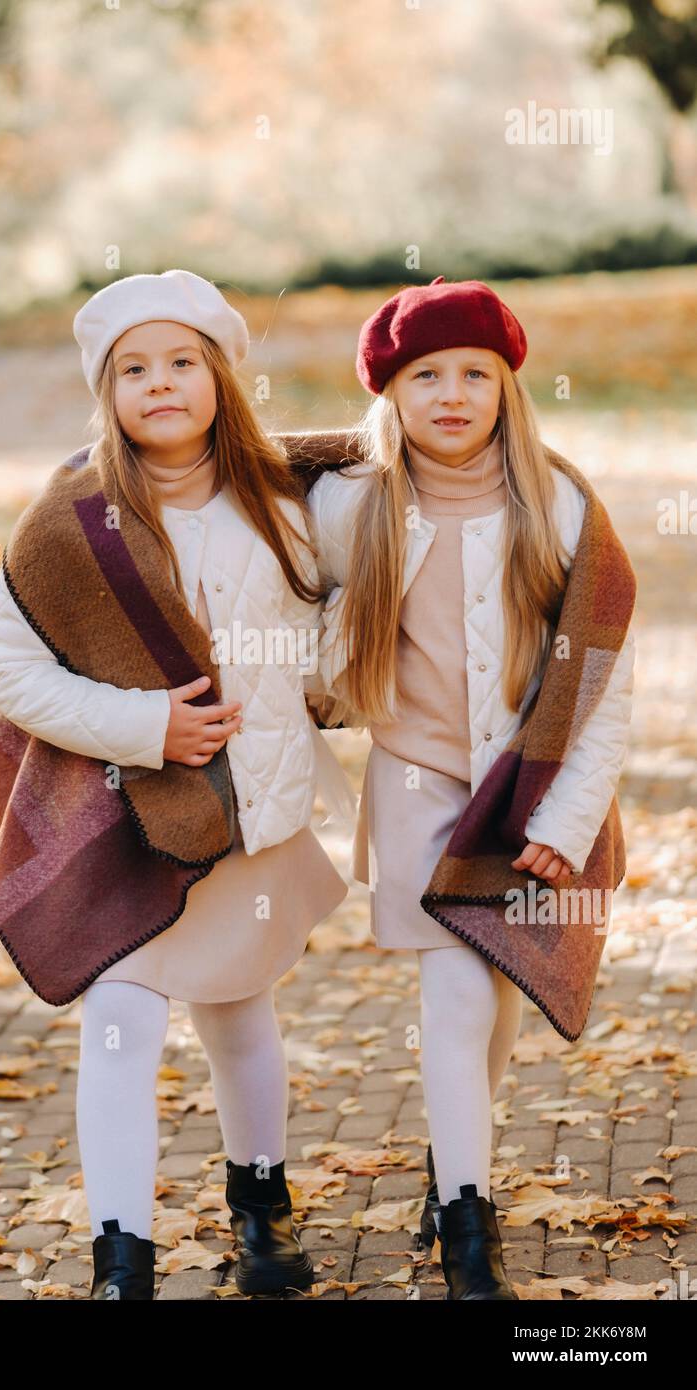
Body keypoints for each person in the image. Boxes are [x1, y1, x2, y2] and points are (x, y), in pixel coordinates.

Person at [0, 269, 356, 1299]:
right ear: (107, 392)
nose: (161, 383)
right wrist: (147, 725)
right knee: (121, 1018)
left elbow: (322, 627)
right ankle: (120, 1255)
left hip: (246, 818)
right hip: (130, 812)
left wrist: (329, 686)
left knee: (237, 1015)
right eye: (133, 368)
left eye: (183, 361)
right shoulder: (69, 519)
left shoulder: (282, 500)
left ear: (222, 376)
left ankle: (260, 1205)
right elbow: (7, 669)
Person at [304, 275, 636, 1300]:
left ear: (506, 386)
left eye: (474, 375)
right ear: (389, 393)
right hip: (412, 780)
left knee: (489, 995)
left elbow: (602, 677)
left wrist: (567, 816)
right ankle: (465, 1225)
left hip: (521, 784)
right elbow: (291, 626)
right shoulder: (344, 501)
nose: (450, 394)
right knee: (451, 990)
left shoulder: (556, 501)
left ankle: (459, 1170)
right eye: (424, 375)